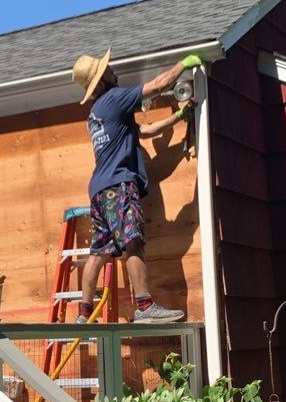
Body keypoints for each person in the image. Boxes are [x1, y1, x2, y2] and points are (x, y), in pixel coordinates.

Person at [70, 48, 201, 323]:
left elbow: (144, 132)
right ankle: (144, 307)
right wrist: (184, 63)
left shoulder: (97, 114)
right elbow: (158, 85)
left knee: (99, 251)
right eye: (106, 68)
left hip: (98, 190)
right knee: (133, 242)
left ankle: (83, 313)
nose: (111, 68)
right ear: (102, 79)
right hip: (119, 184)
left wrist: (178, 118)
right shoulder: (115, 98)